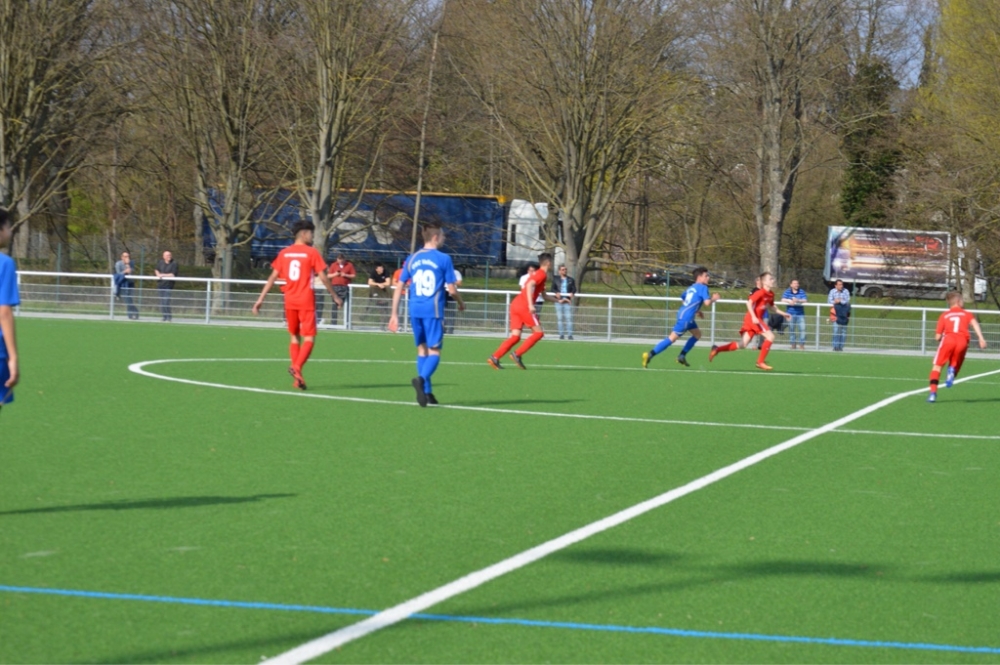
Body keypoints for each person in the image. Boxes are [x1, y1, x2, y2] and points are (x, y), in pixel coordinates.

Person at [252, 221, 342, 390]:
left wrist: (260, 299)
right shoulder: (311, 252)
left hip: (289, 300)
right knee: (309, 338)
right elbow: (323, 277)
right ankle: (297, 367)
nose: (312, 236)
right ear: (303, 233)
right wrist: (335, 296)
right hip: (306, 300)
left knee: (294, 337)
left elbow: (272, 277)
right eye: (311, 233)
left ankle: (297, 379)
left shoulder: (284, 253)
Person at [389, 222, 464, 407]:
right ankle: (421, 379)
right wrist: (461, 302)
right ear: (435, 237)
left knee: (422, 350)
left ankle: (428, 393)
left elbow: (399, 286)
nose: (444, 238)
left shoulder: (412, 258)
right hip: (433, 310)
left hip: (415, 309)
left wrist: (394, 314)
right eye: (443, 235)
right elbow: (452, 290)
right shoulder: (444, 258)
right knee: (435, 351)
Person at [708, 271, 791, 371]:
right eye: (770, 279)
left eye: (772, 278)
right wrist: (754, 317)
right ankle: (760, 362)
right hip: (753, 319)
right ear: (764, 282)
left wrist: (784, 313)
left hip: (755, 319)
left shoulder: (770, 294)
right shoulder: (760, 292)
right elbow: (749, 303)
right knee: (771, 336)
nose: (773, 280)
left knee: (742, 344)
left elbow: (772, 307)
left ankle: (717, 349)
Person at [642, 267, 721, 368]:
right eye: (706, 276)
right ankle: (650, 355)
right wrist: (714, 298)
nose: (708, 278)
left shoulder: (691, 287)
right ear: (699, 277)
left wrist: (695, 310)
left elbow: (684, 298)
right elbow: (707, 303)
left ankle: (682, 356)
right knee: (672, 338)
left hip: (684, 314)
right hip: (686, 317)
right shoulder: (703, 287)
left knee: (697, 334)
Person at [489, 253, 556, 370]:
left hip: (516, 305)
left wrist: (559, 300)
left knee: (515, 336)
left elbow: (544, 296)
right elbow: (529, 285)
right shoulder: (541, 274)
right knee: (538, 333)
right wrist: (530, 304)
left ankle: (495, 357)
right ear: (549, 263)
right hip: (524, 306)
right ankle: (517, 354)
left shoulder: (539, 275)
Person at [926, 291, 987, 403]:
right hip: (962, 342)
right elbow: (974, 324)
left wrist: (940, 338)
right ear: (958, 301)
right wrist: (981, 338)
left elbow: (937, 336)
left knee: (937, 367)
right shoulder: (966, 314)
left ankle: (932, 394)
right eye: (962, 300)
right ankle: (951, 371)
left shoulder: (944, 315)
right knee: (954, 365)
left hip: (948, 340)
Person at [0, 209, 20, 414]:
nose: (10, 231)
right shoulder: (5, 263)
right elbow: (4, 311)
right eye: (8, 227)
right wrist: (13, 357)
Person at [327, 253, 356, 325]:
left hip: (345, 286)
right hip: (335, 286)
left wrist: (345, 275)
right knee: (334, 304)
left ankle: (347, 323)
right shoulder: (333, 265)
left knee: (345, 303)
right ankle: (333, 323)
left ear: (344, 259)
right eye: (339, 259)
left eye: (341, 260)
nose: (340, 261)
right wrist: (335, 274)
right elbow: (329, 276)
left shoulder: (349, 265)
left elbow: (354, 275)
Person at [781, 279, 808, 349]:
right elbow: (782, 299)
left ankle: (802, 344)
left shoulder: (801, 291)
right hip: (790, 314)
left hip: (800, 314)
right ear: (791, 285)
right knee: (791, 329)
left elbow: (805, 300)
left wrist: (798, 300)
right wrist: (789, 300)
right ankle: (793, 344)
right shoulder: (787, 291)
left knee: (802, 329)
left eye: (797, 283)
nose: (796, 285)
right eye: (795, 283)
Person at [553, 264, 577, 340]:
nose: (564, 271)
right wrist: (556, 292)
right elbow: (552, 288)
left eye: (565, 269)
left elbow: (574, 289)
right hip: (559, 301)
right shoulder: (556, 279)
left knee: (568, 318)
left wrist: (572, 293)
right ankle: (561, 334)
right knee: (560, 318)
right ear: (559, 271)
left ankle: (570, 335)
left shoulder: (571, 280)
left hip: (567, 301)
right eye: (563, 269)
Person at [114, 251, 140, 320]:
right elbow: (118, 274)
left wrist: (128, 265)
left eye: (128, 256)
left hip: (130, 283)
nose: (127, 258)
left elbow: (131, 273)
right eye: (125, 257)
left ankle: (130, 315)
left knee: (130, 299)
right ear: (122, 257)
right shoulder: (118, 264)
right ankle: (135, 312)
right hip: (123, 284)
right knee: (127, 300)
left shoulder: (132, 263)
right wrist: (125, 271)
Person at [154, 250, 178, 321]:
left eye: (170, 255)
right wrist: (158, 274)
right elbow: (156, 269)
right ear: (164, 256)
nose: (169, 256)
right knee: (162, 302)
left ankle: (169, 316)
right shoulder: (160, 262)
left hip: (168, 285)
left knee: (166, 301)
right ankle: (164, 316)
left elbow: (173, 274)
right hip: (160, 284)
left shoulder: (174, 263)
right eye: (167, 255)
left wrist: (163, 275)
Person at [828, 280, 851, 351]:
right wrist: (836, 301)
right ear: (836, 285)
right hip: (835, 313)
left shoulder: (846, 291)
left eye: (842, 284)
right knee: (836, 330)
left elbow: (847, 301)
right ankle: (835, 346)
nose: (841, 286)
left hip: (844, 313)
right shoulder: (832, 291)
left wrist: (840, 301)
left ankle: (841, 347)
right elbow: (829, 301)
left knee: (843, 331)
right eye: (840, 284)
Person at [367, 262, 391, 328]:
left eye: (382, 267)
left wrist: (382, 284)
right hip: (377, 294)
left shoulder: (386, 272)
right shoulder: (373, 273)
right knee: (381, 310)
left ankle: (387, 324)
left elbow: (388, 283)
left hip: (385, 294)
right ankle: (382, 324)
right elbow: (369, 282)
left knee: (387, 310)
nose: (382, 269)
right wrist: (378, 284)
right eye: (380, 268)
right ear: (376, 269)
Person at [444, 267, 463, 334]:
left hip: (451, 293)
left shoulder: (456, 272)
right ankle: (442, 328)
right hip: (442, 292)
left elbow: (459, 283)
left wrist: (450, 281)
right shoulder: (441, 271)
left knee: (451, 312)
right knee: (441, 311)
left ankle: (450, 329)